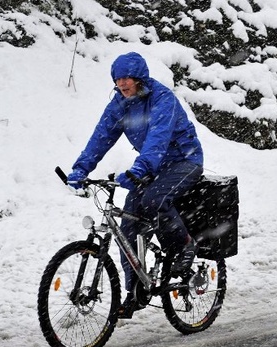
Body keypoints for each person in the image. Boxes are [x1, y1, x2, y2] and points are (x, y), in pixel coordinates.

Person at [66, 52, 204, 318]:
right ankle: (136, 291)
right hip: (155, 167)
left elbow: (158, 138)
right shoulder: (120, 104)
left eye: (126, 78)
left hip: (184, 162)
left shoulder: (162, 99)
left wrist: (139, 169)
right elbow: (101, 137)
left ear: (139, 77)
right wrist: (80, 169)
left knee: (154, 199)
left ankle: (185, 245)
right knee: (128, 223)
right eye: (117, 79)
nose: (122, 84)